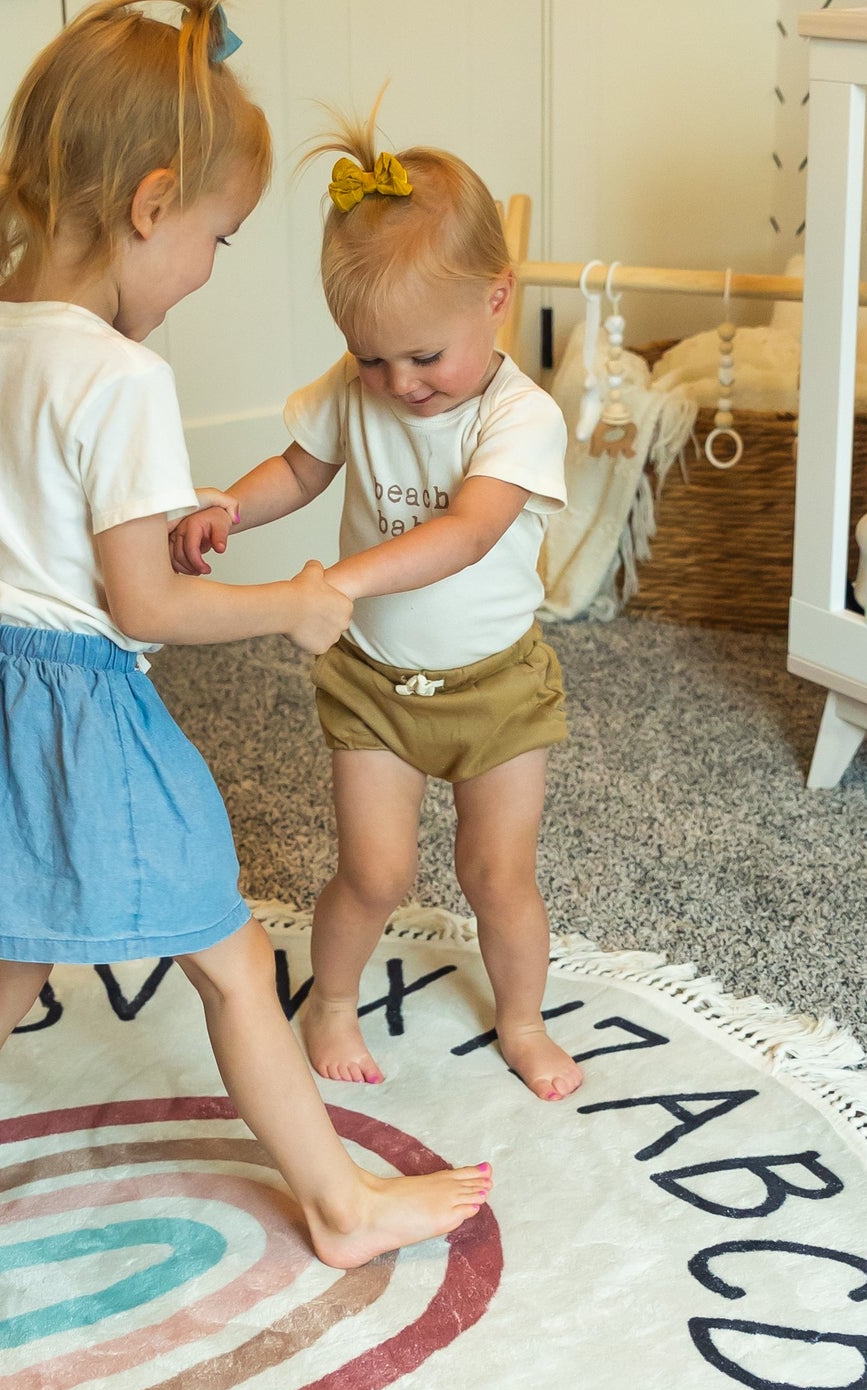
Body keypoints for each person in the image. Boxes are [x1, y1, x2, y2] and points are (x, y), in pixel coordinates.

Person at [0, 3, 492, 1269]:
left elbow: (34, 525)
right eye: (216, 238)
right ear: (151, 201)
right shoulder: (121, 376)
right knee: (232, 962)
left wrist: (167, 520)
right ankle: (339, 1208)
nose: (211, 269)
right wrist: (289, 605)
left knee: (1, 970)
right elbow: (142, 610)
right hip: (74, 717)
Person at [170, 108, 579, 1100]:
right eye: (369, 358)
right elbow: (301, 469)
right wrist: (229, 502)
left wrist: (343, 578)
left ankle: (520, 1019)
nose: (399, 385)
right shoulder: (362, 389)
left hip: (498, 690)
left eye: (423, 357)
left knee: (497, 876)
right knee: (372, 873)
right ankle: (331, 1002)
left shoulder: (521, 417)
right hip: (373, 687)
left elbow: (469, 531)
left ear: (495, 299)